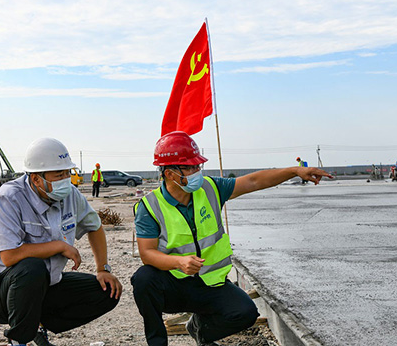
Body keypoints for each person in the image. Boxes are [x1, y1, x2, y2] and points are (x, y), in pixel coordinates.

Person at [131, 131, 331, 346]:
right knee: (143, 279)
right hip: (174, 284)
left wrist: (294, 171)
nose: (196, 171)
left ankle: (201, 332)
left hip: (209, 283)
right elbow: (147, 253)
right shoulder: (150, 207)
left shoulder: (210, 188)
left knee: (245, 313)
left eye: (197, 166)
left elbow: (254, 181)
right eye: (189, 167)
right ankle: (157, 343)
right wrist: (178, 262)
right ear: (169, 174)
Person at [0, 138, 123, 346]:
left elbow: (94, 226)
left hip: (43, 285)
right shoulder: (9, 197)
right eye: (59, 175)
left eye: (67, 173)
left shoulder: (70, 194)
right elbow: (9, 256)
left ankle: (36, 325)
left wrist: (103, 268)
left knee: (107, 292)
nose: (66, 179)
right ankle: (19, 339)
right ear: (36, 178)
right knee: (31, 267)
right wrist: (59, 246)